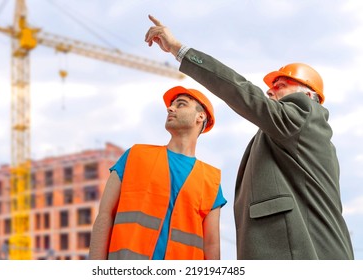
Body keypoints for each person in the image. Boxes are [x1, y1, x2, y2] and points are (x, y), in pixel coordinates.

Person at [144, 15, 354, 260]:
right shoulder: (285, 135)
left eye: (281, 84)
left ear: (307, 95)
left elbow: (240, 90)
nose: (270, 90)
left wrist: (180, 50)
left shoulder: (305, 115)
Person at [89, 85, 227, 260]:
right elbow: (104, 215)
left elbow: (212, 245)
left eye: (181, 104)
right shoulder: (135, 156)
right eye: (172, 105)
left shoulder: (211, 180)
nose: (170, 108)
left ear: (200, 116)